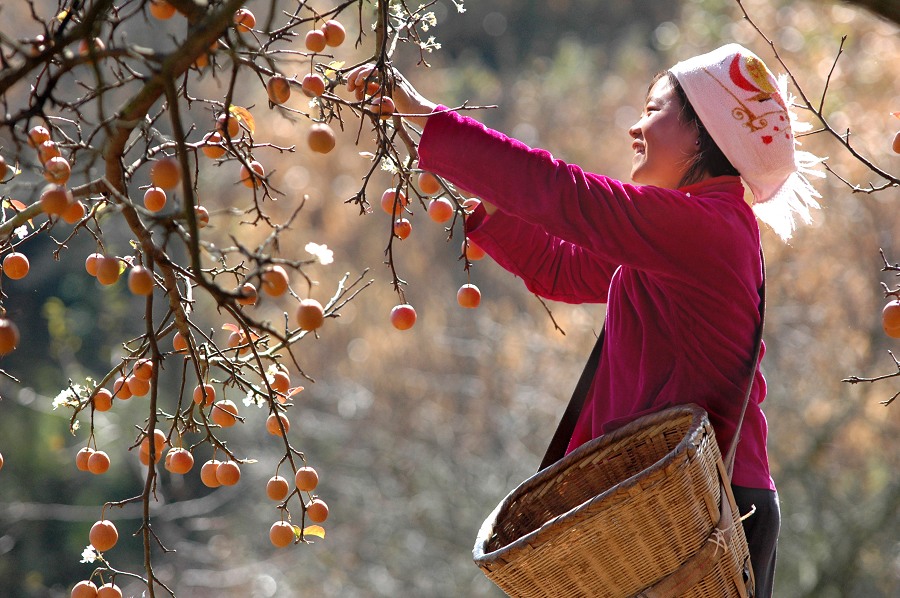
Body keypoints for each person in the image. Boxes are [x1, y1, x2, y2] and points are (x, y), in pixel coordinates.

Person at [348, 43, 824, 598]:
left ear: (702, 131)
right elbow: (561, 268)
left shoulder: (708, 229)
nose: (636, 127)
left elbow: (566, 195)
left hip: (709, 503)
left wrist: (428, 118)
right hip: (668, 498)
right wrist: (454, 167)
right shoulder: (686, 230)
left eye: (653, 109)